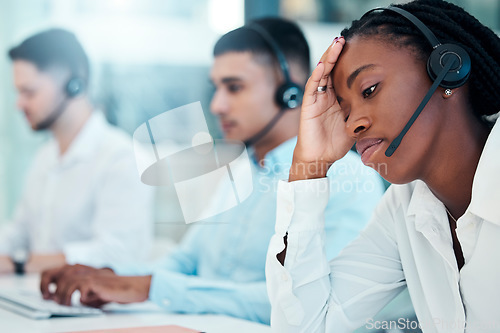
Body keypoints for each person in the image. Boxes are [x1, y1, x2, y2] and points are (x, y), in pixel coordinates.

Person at [40, 18, 384, 324]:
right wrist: (109, 277)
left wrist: (148, 287)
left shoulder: (348, 182)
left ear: (290, 92)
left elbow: (306, 306)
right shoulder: (241, 173)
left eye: (234, 87)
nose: (216, 105)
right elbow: (186, 261)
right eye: (216, 88)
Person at [266, 0, 500, 332]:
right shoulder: (402, 210)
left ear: (449, 69)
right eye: (344, 112)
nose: (351, 127)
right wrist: (309, 165)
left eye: (369, 89)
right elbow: (307, 325)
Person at [0, 29, 154, 274]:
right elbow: (18, 233)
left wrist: (21, 263)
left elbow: (119, 255)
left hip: (92, 308)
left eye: (29, 92)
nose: (19, 104)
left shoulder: (121, 158)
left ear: (74, 84)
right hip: (36, 295)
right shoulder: (45, 157)